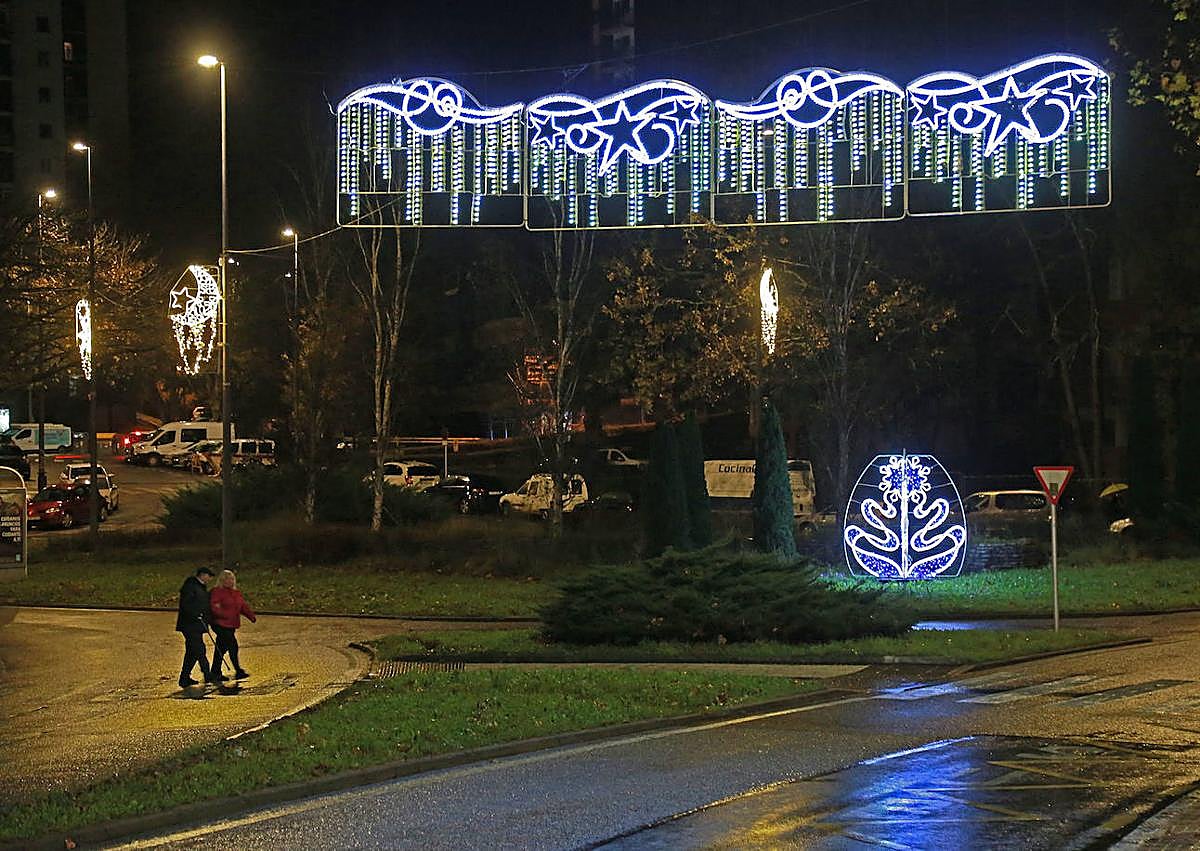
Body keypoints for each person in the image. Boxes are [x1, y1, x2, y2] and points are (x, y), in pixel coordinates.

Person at [209, 569, 257, 679]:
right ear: (222, 580)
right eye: (227, 579)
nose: (230, 581)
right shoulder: (217, 591)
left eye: (231, 579)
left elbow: (242, 605)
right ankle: (236, 670)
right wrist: (224, 615)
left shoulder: (236, 593)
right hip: (220, 624)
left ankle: (216, 671)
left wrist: (251, 616)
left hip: (231, 624)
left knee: (222, 647)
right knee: (231, 646)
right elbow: (214, 607)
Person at [176, 566, 217, 687]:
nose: (209, 579)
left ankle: (184, 677)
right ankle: (207, 673)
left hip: (196, 624)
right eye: (208, 576)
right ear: (203, 575)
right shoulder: (191, 586)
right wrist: (196, 614)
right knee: (199, 649)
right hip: (190, 624)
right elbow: (186, 604)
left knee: (192, 652)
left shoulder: (200, 587)